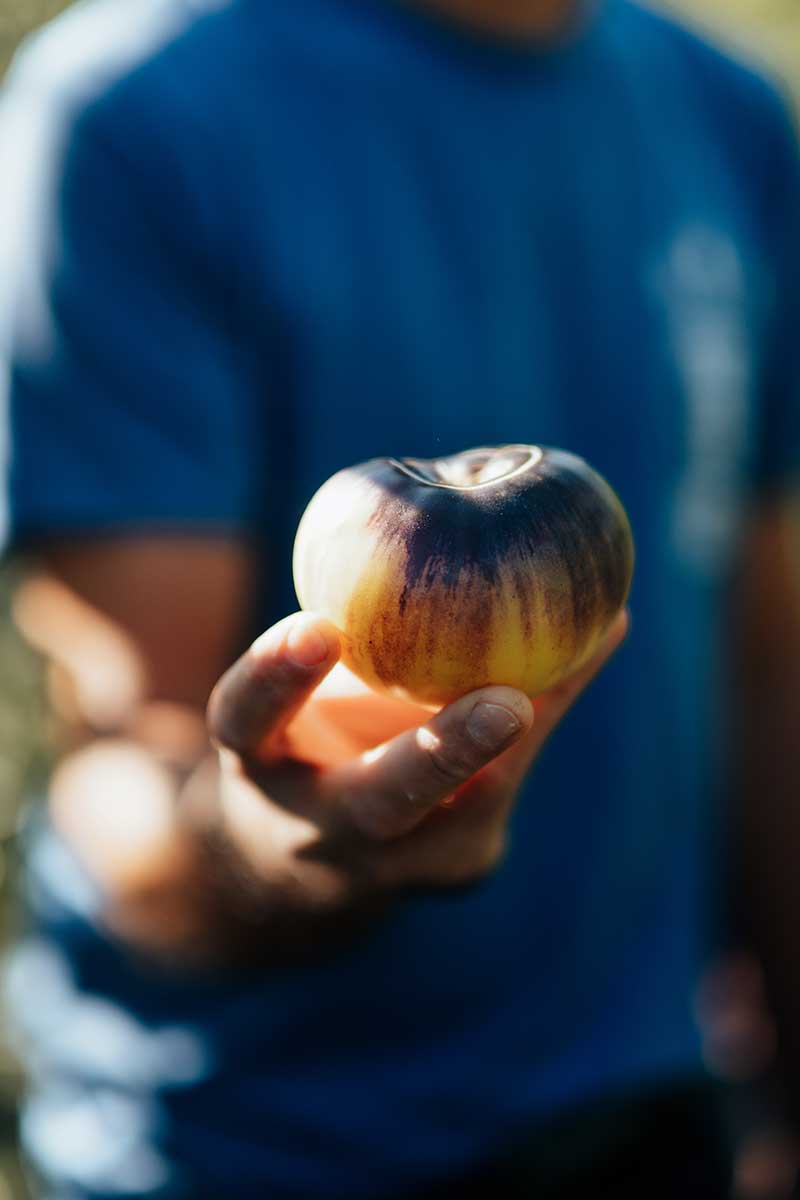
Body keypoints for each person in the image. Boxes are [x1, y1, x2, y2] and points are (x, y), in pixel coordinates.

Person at [1, 0, 800, 1196]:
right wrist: (277, 845)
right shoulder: (138, 113)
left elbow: (769, 667)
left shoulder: (726, 114)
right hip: (264, 1148)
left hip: (644, 1106)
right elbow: (127, 745)